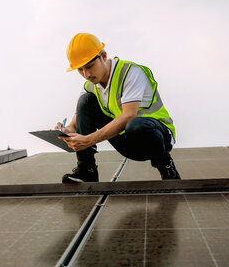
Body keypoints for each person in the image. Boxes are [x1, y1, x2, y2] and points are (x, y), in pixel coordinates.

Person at [55, 33, 180, 183]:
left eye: (89, 66)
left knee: (135, 124)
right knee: (85, 100)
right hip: (127, 141)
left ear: (104, 56)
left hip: (157, 138)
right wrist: (67, 130)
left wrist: (88, 140)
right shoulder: (91, 85)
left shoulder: (130, 73)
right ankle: (86, 169)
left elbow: (129, 116)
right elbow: (77, 120)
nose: (86, 74)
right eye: (80, 70)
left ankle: (167, 168)